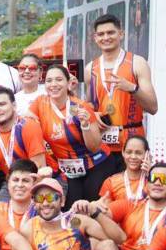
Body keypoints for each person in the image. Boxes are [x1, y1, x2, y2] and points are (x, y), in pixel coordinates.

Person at [86, 14, 158, 180]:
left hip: (132, 143)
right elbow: (88, 105)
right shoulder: (91, 68)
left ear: (121, 34)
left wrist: (132, 88)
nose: (106, 37)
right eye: (101, 34)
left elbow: (153, 107)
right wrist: (93, 115)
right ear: (95, 38)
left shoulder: (137, 63)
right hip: (103, 145)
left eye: (111, 32)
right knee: (104, 195)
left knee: (133, 193)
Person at [29, 64, 106, 205]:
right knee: (71, 208)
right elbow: (25, 120)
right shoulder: (40, 102)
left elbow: (95, 146)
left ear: (68, 83)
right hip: (68, 169)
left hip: (96, 163)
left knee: (91, 206)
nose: (53, 84)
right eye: (49, 80)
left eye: (59, 79)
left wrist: (85, 125)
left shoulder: (81, 107)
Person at [0, 86, 48, 202]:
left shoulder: (28, 126)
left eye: (2, 104)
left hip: (41, 180)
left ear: (14, 106)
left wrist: (34, 200)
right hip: (13, 182)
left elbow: (40, 167)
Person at [99, 135, 151, 204]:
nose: (133, 157)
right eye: (129, 152)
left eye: (138, 153)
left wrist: (151, 175)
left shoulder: (155, 181)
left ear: (147, 154)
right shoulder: (110, 182)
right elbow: (103, 212)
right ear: (123, 152)